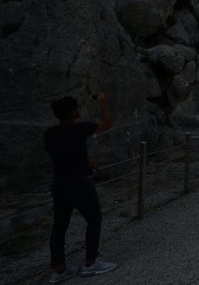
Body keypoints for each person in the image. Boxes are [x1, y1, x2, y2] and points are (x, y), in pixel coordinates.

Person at [44, 94, 117, 283]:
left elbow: (62, 155)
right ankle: (91, 262)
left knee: (59, 226)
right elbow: (107, 123)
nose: (79, 111)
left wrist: (84, 160)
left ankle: (59, 269)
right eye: (76, 108)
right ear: (73, 112)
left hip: (59, 184)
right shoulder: (81, 128)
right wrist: (103, 103)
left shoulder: (49, 134)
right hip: (80, 183)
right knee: (94, 219)